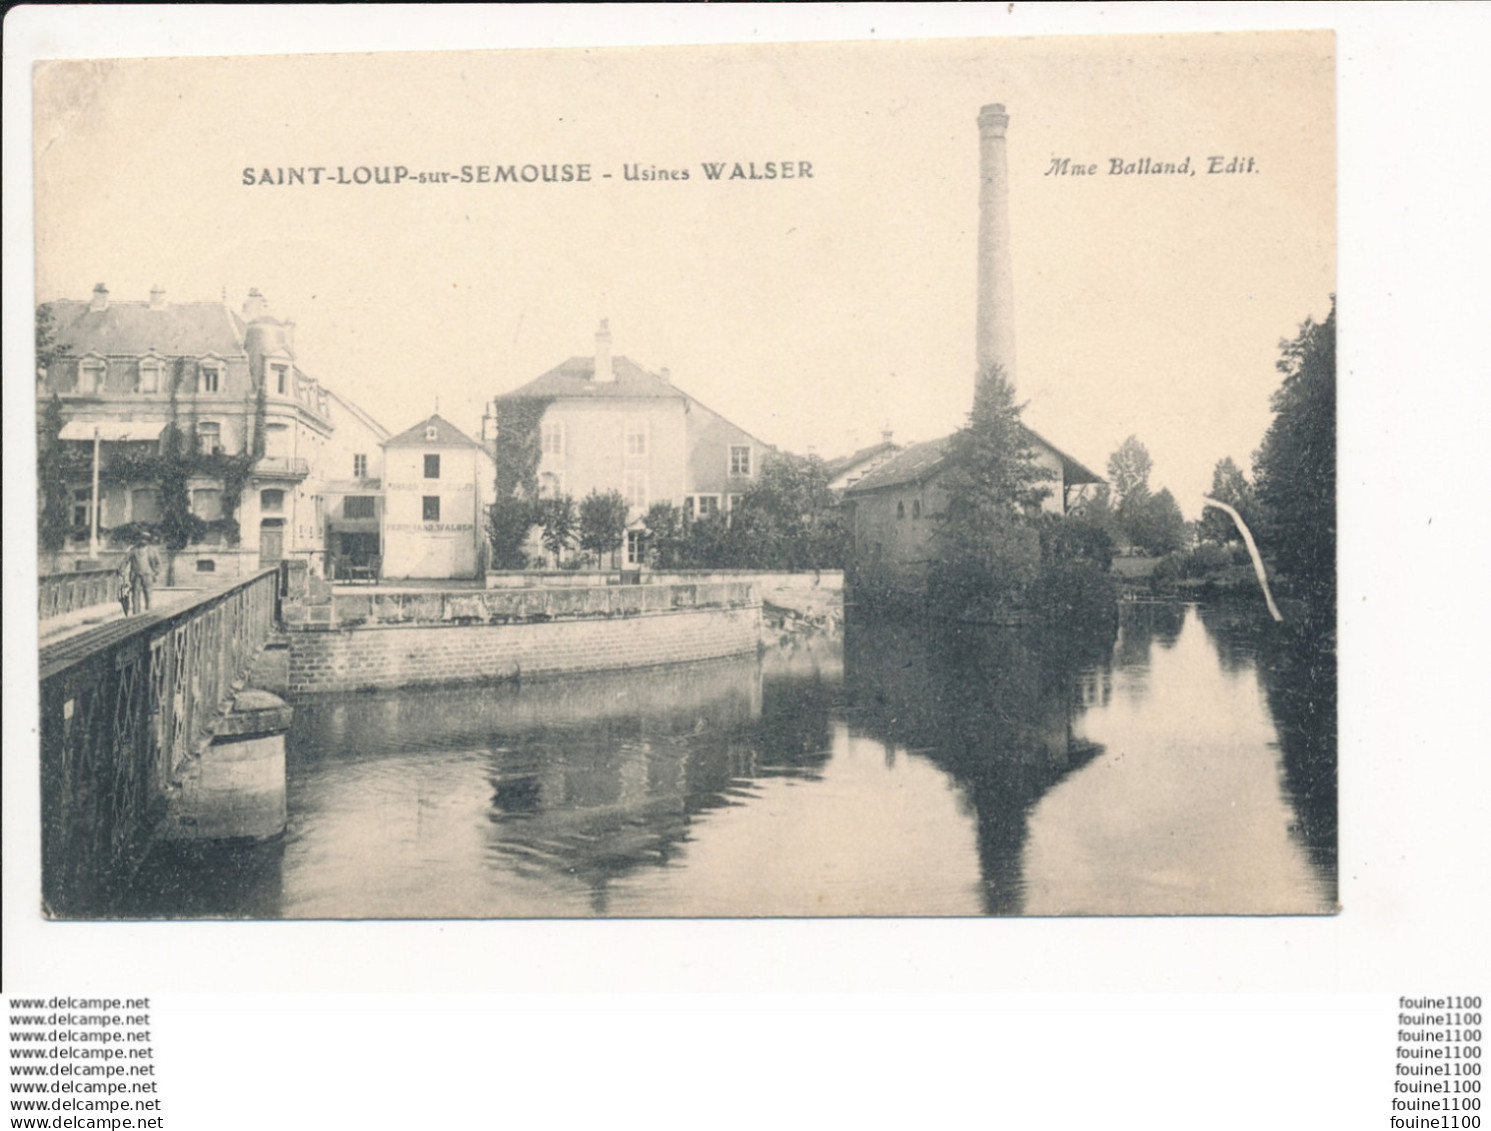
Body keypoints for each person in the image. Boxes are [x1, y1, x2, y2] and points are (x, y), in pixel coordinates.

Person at [130, 534, 162, 613]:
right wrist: (121, 570)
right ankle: (136, 615)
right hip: (136, 575)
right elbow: (125, 560)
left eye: (145, 539)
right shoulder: (134, 550)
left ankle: (148, 614)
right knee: (135, 595)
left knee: (148, 595)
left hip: (148, 575)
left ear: (148, 540)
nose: (143, 540)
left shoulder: (153, 550)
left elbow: (159, 563)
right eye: (141, 538)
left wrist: (155, 572)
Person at [116, 552, 135, 617]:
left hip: (127, 582)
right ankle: (126, 612)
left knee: (126, 596)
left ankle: (127, 613)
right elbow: (120, 571)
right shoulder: (124, 562)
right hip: (123, 582)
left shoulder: (131, 563)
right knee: (123, 597)